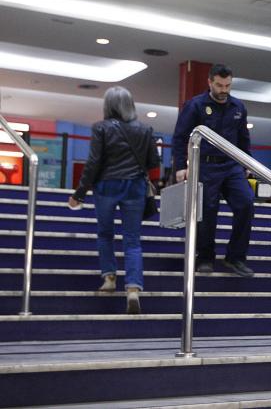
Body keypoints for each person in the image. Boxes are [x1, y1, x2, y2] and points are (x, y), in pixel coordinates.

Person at [68, 86, 159, 314]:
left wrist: (79, 193)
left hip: (107, 185)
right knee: (132, 240)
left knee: (105, 233)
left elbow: (93, 163)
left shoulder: (101, 128)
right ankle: (133, 289)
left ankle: (109, 279)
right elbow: (153, 161)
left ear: (108, 105)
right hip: (135, 186)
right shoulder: (145, 129)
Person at [172, 63, 255, 277]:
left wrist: (248, 164)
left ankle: (235, 257)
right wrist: (181, 166)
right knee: (207, 212)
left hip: (232, 165)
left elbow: (244, 140)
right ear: (210, 82)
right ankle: (205, 257)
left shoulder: (238, 107)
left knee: (246, 202)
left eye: (227, 85)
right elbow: (180, 137)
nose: (223, 90)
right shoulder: (195, 105)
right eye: (219, 85)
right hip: (205, 165)